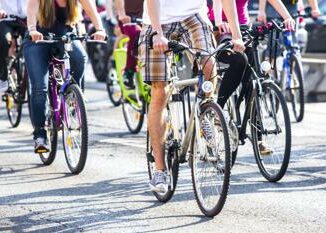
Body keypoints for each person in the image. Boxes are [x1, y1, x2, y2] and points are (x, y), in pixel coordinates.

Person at [139, 0, 245, 193]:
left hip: (193, 16)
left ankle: (206, 111)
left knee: (209, 63)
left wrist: (237, 36)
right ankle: (160, 170)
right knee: (160, 91)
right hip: (158, 22)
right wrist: (157, 33)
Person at [213, 0, 296, 155]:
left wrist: (287, 17)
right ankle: (218, 109)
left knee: (254, 81)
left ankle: (258, 139)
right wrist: (218, 21)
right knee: (239, 61)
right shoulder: (219, 23)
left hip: (244, 29)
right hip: (220, 29)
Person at [24, 0, 106, 153]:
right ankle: (40, 135)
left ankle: (72, 96)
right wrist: (32, 29)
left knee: (80, 57)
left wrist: (100, 29)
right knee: (39, 89)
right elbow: (31, 9)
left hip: (64, 36)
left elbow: (90, 8)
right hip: (38, 38)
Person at [113, 0, 144, 88]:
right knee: (136, 33)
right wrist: (122, 14)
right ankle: (129, 71)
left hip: (147, 17)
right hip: (128, 17)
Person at [0, 1, 27, 93]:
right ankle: (3, 77)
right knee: (3, 40)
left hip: (28, 19)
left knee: (34, 43)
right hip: (6, 20)